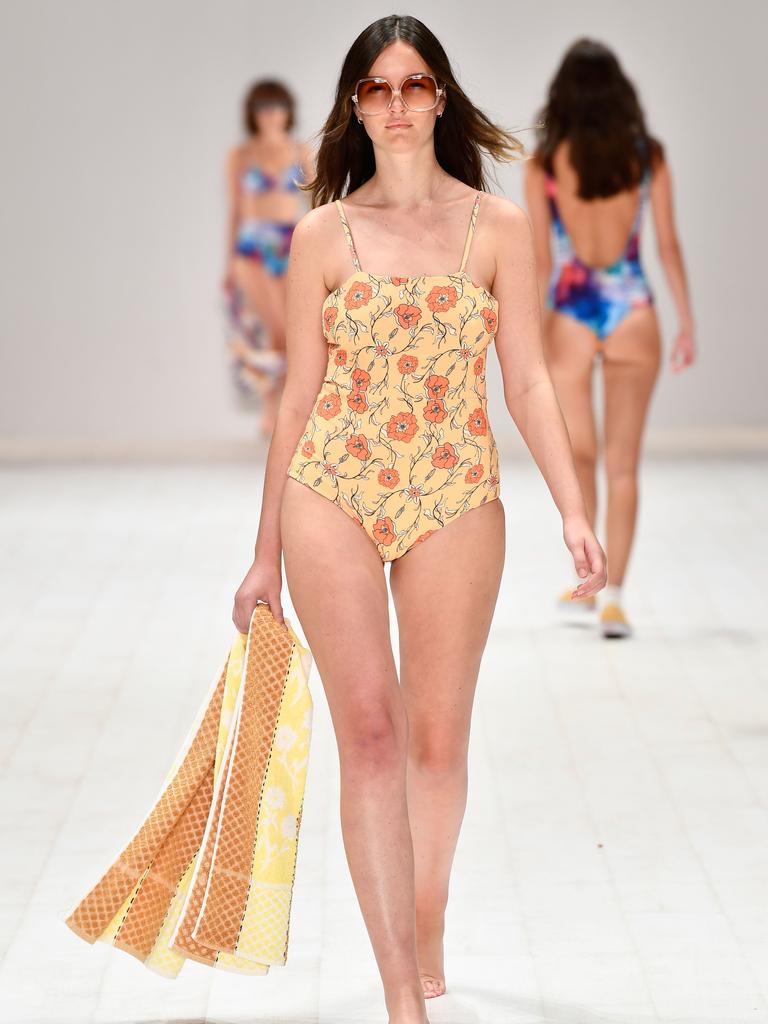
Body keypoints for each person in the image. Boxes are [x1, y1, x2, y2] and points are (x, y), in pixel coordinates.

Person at [233, 15, 606, 1024]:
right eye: (376, 89)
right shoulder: (322, 234)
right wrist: (263, 553)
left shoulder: (498, 227)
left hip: (453, 490)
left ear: (442, 96)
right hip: (333, 490)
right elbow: (296, 403)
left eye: (415, 85)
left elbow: (527, 378)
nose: (397, 106)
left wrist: (574, 507)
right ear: (356, 107)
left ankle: (425, 915)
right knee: (372, 731)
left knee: (438, 743)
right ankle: (404, 992)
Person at [523, 38, 696, 638]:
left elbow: (541, 262)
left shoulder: (545, 164)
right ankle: (614, 596)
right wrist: (688, 323)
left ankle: (588, 583)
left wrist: (524, 334)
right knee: (623, 466)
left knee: (583, 458)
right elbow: (666, 245)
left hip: (571, 312)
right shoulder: (647, 157)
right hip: (634, 310)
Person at [223, 79, 315, 438]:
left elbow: (318, 198)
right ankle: (271, 410)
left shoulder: (300, 152)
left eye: (277, 107)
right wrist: (229, 263)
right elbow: (235, 210)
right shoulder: (241, 156)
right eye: (263, 108)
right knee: (273, 329)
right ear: (253, 114)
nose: (271, 116)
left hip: (289, 243)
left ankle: (284, 412)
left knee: (292, 331)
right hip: (253, 246)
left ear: (288, 112)